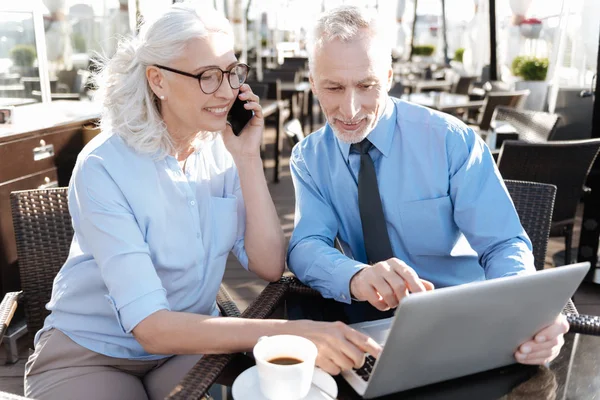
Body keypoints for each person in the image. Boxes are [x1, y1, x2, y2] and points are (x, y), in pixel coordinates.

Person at [24, 4, 383, 399]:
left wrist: (247, 156)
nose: (228, 90)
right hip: (92, 354)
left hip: (191, 345)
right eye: (207, 77)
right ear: (157, 80)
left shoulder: (221, 150)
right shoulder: (102, 168)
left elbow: (267, 264)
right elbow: (152, 327)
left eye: (231, 72)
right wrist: (292, 332)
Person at [287, 5, 568, 366]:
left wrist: (524, 313)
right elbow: (306, 244)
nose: (351, 109)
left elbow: (502, 244)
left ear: (388, 77)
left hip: (466, 320)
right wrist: (355, 276)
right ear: (313, 83)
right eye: (333, 87)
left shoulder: (450, 141)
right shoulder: (309, 158)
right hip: (370, 328)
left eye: (366, 85)